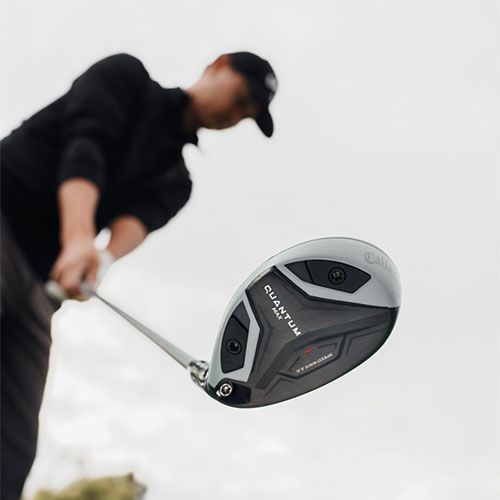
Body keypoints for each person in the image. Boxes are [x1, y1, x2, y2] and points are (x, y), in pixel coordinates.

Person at [0, 51, 277, 500]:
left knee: (12, 446)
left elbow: (132, 227)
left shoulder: (177, 182)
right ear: (217, 66)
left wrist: (101, 262)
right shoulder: (125, 77)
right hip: (5, 217)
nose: (237, 113)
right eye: (241, 97)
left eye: (247, 113)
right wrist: (78, 239)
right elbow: (84, 147)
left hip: (37, 283)